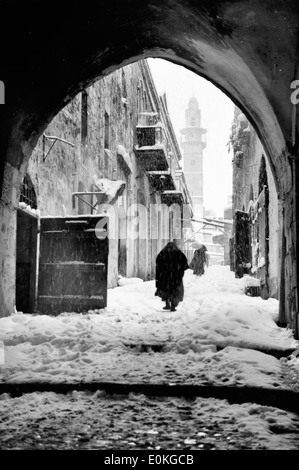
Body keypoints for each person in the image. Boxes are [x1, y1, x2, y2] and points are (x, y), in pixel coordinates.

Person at [155, 241, 189, 312]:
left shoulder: (162, 253)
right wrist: (179, 270)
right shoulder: (179, 253)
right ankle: (173, 306)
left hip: (165, 277)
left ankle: (167, 304)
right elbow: (185, 264)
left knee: (166, 290)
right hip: (176, 277)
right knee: (175, 292)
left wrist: (161, 273)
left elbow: (158, 264)